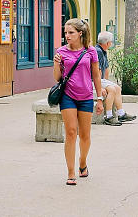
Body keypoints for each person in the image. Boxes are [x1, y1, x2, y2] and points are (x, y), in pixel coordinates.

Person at [54, 18, 104, 185]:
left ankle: (82, 162)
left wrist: (100, 98)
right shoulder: (61, 51)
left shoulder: (91, 51)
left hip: (86, 96)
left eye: (71, 32)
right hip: (67, 96)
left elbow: (96, 75)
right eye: (65, 32)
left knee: (85, 135)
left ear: (80, 33)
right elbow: (57, 78)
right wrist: (56, 64)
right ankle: (70, 172)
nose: (67, 35)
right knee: (70, 132)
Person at [95, 31, 137, 126]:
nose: (111, 44)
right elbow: (97, 71)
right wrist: (100, 88)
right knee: (112, 90)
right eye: (111, 42)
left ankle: (121, 113)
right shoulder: (98, 52)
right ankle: (108, 116)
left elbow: (105, 69)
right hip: (93, 80)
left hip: (100, 80)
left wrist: (106, 82)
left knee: (117, 88)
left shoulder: (102, 51)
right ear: (107, 43)